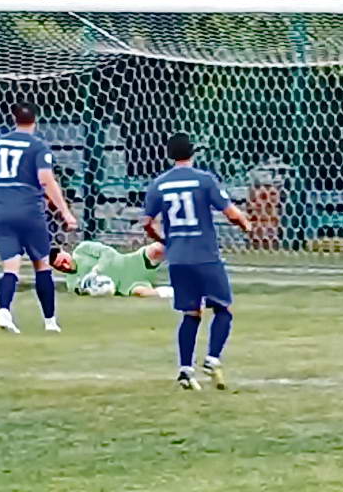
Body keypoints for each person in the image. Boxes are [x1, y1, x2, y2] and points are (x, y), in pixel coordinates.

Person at [143, 133, 252, 391]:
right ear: (192, 153)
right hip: (205, 256)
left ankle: (185, 370)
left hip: (178, 259)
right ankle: (212, 358)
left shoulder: (159, 184)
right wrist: (246, 225)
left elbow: (147, 222)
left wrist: (166, 240)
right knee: (223, 308)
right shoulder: (204, 180)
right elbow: (230, 212)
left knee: (190, 313)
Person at [0, 103, 77, 334]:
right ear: (35, 121)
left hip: (2, 212)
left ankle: (4, 312)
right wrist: (65, 212)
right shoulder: (37, 147)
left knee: (10, 267)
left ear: (14, 119)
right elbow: (46, 179)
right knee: (42, 265)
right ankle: (50, 321)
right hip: (30, 212)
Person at [49, 241, 172, 298]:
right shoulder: (71, 282)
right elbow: (86, 291)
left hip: (131, 262)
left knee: (156, 249)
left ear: (64, 252)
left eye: (63, 261)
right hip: (126, 285)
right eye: (60, 267)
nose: (65, 266)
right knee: (143, 293)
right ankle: (174, 293)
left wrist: (96, 271)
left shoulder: (82, 249)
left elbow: (107, 252)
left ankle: (181, 248)